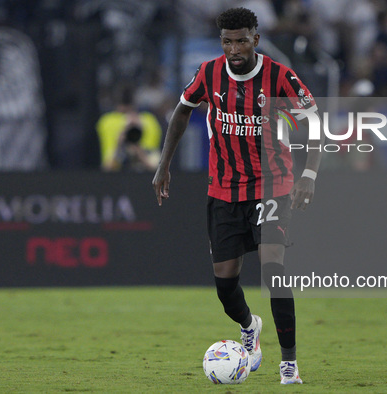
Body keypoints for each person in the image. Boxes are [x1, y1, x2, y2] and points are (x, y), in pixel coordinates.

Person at [152, 7, 321, 384]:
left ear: (255, 39)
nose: (234, 48)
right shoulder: (208, 73)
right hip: (224, 189)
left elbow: (313, 120)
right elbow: (181, 112)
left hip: (271, 184)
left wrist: (308, 173)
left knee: (273, 268)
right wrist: (164, 165)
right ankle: (249, 326)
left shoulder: (279, 76)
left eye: (241, 40)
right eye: (227, 41)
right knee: (225, 284)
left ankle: (289, 363)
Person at [96, 84, 162, 171]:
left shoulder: (148, 121)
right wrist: (119, 145)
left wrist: (137, 148)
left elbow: (155, 167)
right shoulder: (108, 122)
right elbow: (108, 167)